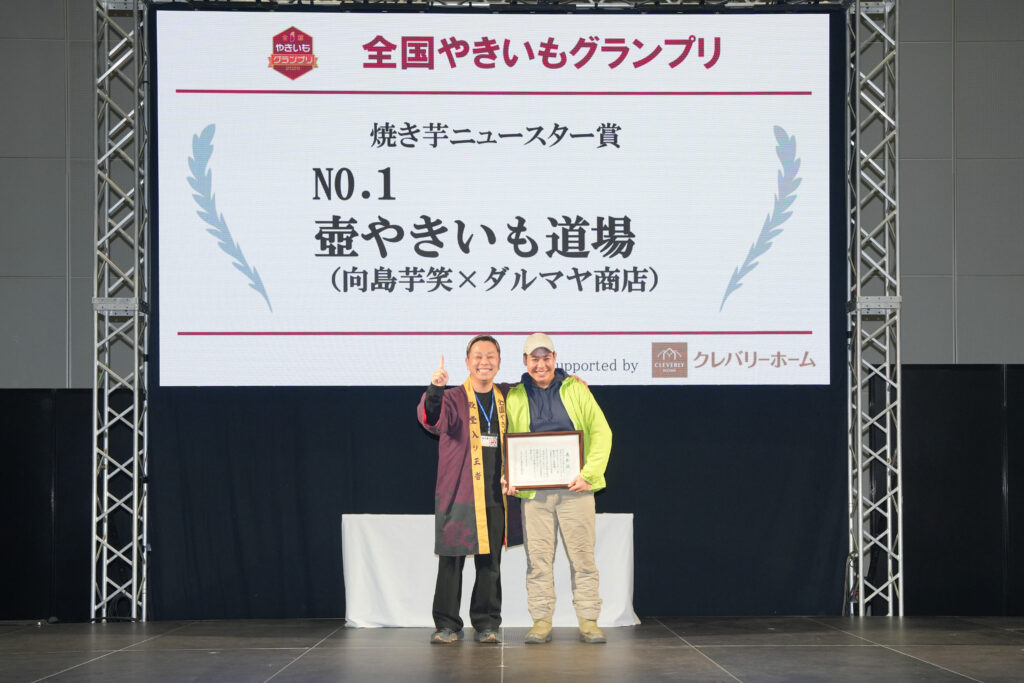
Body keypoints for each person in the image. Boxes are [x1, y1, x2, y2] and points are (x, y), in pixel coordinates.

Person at [503, 332, 612, 644]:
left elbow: (601, 432)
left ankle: (589, 620)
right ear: (525, 361)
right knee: (538, 560)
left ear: (555, 358)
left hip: (576, 489)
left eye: (546, 357)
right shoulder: (514, 396)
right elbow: (507, 438)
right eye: (534, 359)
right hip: (534, 493)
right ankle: (541, 621)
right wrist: (509, 474)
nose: (541, 364)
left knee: (583, 558)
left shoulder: (576, 389)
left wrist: (589, 474)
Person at [416, 334, 522, 644]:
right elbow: (431, 419)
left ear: (499, 363)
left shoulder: (507, 395)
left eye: (491, 356)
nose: (484, 361)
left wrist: (568, 377)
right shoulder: (452, 398)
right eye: (478, 356)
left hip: (495, 494)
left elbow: (536, 381)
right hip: (458, 493)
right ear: (467, 362)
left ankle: (487, 623)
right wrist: (435, 389)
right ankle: (447, 625)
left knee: (490, 564)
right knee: (451, 561)